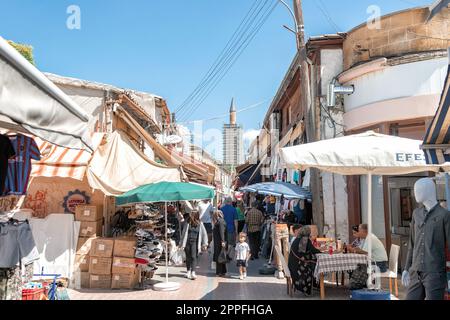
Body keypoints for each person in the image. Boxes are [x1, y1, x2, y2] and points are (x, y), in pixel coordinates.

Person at [288, 226, 321, 296]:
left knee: (314, 262)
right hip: (297, 267)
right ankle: (314, 285)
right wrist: (321, 252)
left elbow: (305, 251)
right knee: (315, 265)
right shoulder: (304, 239)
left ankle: (316, 284)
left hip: (293, 264)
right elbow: (313, 250)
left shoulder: (299, 238)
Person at [180, 211, 208, 280]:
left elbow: (204, 234)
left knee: (193, 257)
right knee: (188, 257)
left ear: (195, 215)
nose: (190, 215)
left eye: (192, 214)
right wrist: (181, 243)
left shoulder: (200, 223)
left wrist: (205, 243)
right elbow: (184, 233)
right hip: (187, 242)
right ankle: (188, 271)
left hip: (195, 242)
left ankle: (193, 272)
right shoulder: (188, 222)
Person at [212, 210, 227, 277]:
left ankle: (219, 272)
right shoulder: (221, 221)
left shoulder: (220, 222)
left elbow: (221, 232)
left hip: (219, 241)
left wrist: (222, 241)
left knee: (219, 256)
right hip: (219, 241)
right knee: (221, 255)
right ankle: (223, 271)